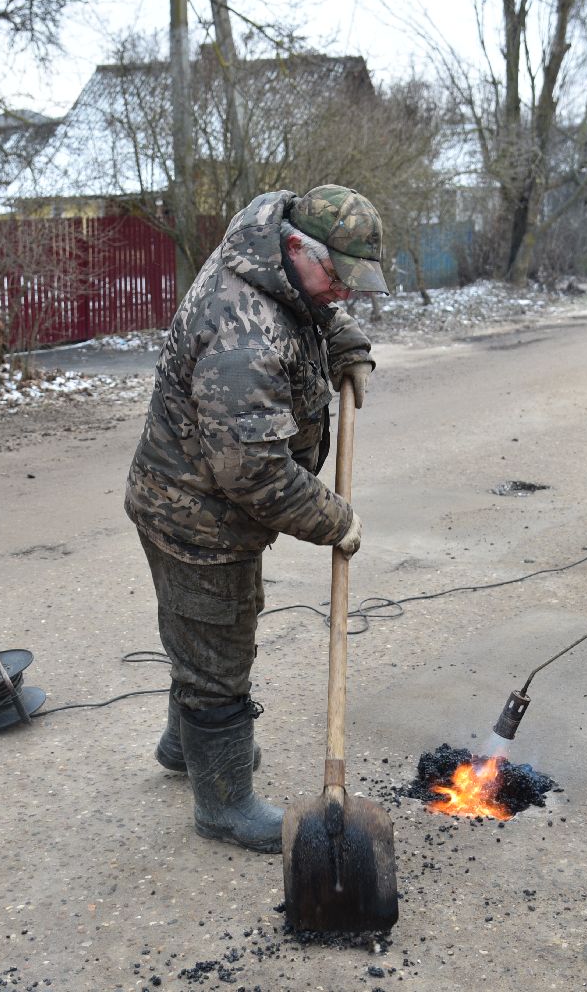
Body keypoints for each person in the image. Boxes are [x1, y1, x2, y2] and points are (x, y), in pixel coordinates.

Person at [125, 184, 389, 854]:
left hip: (201, 500)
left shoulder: (272, 255)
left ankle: (184, 747)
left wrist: (345, 342)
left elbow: (314, 308)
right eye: (338, 280)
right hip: (196, 516)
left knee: (205, 630)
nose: (343, 295)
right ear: (299, 248)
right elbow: (254, 473)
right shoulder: (242, 331)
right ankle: (224, 804)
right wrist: (335, 520)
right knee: (218, 643)